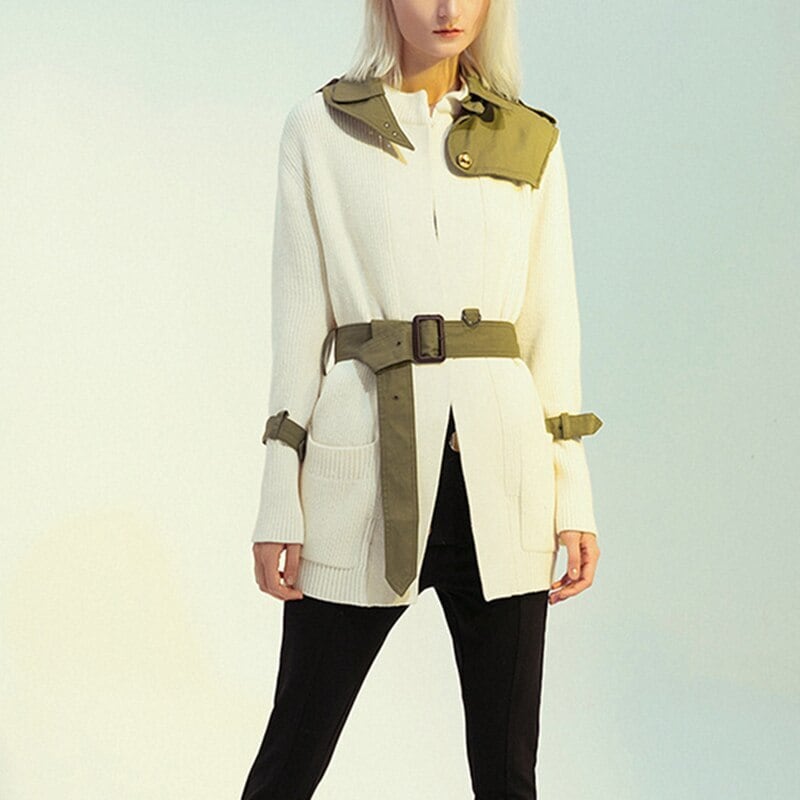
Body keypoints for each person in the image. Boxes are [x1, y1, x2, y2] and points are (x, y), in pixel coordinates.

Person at [242, 1, 602, 797]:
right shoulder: (320, 129)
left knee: (507, 776)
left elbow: (551, 329)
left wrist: (572, 495)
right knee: (291, 757)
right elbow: (298, 328)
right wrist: (278, 499)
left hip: (503, 485)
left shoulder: (530, 137)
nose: (447, 8)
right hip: (362, 482)